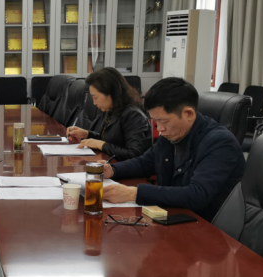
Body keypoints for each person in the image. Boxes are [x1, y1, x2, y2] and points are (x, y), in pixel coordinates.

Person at [102, 77, 245, 222]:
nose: (159, 128)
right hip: (172, 215)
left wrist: (134, 193)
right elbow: (145, 163)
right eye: (155, 121)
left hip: (205, 224)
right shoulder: (173, 134)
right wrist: (112, 170)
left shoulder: (220, 143)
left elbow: (197, 195)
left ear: (189, 114)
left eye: (163, 121)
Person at [65, 67, 151, 161]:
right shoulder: (112, 109)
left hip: (125, 168)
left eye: (95, 97)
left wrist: (101, 145)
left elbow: (134, 154)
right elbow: (109, 140)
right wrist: (87, 134)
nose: (94, 103)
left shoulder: (133, 116)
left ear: (111, 93)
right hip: (110, 164)